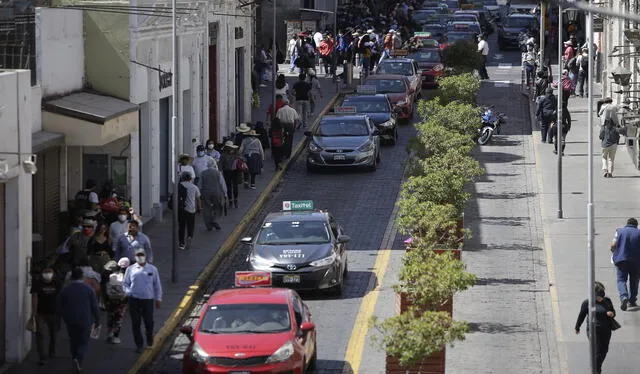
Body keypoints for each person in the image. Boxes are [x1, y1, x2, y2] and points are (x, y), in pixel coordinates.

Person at [58, 267, 100, 373]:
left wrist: (59, 320)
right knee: (84, 341)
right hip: (85, 319)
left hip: (70, 319)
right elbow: (95, 306)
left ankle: (74, 357)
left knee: (73, 340)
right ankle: (78, 358)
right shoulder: (88, 289)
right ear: (82, 276)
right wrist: (98, 320)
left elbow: (60, 306)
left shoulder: (65, 289)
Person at [123, 248, 162, 353]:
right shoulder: (130, 269)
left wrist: (158, 298)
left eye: (142, 254)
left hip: (148, 300)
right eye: (138, 255)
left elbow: (157, 285)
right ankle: (139, 345)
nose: (140, 257)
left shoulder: (152, 269)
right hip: (134, 299)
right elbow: (125, 283)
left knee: (148, 321)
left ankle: (149, 341)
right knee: (136, 323)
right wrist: (128, 292)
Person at [575, 282, 616, 373]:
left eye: (602, 296)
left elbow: (613, 312)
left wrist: (611, 314)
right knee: (597, 350)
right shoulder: (587, 303)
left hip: (606, 330)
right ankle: (596, 370)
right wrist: (577, 327)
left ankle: (598, 366)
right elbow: (581, 315)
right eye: (598, 296)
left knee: (604, 351)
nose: (601, 298)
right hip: (593, 330)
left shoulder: (607, 301)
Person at [31, 267, 61, 365]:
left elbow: (61, 296)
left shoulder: (57, 283)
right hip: (40, 313)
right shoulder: (37, 283)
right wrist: (34, 313)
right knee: (40, 334)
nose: (48, 274)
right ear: (42, 273)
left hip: (54, 312)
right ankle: (42, 356)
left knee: (53, 334)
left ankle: (51, 352)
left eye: (49, 272)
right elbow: (34, 297)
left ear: (53, 273)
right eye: (46, 272)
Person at [610, 218, 640, 310]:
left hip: (621, 260)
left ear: (627, 224)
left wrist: (614, 252)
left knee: (621, 280)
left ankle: (624, 297)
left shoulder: (619, 231)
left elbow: (612, 245)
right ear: (636, 225)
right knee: (634, 280)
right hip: (636, 261)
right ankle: (632, 300)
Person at [104, 257, 129, 344]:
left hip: (110, 301)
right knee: (118, 319)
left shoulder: (111, 275)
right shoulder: (126, 277)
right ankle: (116, 337)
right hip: (121, 302)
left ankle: (109, 334)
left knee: (110, 317)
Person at [199, 158, 227, 231]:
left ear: (207, 165)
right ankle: (215, 220)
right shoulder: (218, 173)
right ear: (214, 165)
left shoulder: (203, 173)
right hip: (216, 192)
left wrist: (200, 193)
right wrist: (225, 193)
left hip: (205, 193)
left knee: (206, 208)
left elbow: (200, 184)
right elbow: (222, 184)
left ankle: (208, 225)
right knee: (218, 207)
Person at [178, 172, 201, 250]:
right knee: (190, 226)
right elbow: (198, 199)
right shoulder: (194, 187)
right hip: (191, 210)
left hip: (181, 209)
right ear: (190, 178)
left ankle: (181, 242)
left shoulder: (179, 186)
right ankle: (189, 236)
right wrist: (199, 208)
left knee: (182, 226)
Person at [599, 98, 621, 178]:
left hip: (605, 144)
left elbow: (600, 136)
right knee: (611, 159)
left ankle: (605, 170)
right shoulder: (615, 128)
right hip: (614, 144)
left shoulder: (603, 127)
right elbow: (618, 135)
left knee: (604, 157)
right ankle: (610, 172)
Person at [219, 141, 241, 208]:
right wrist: (219, 172)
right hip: (227, 172)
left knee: (235, 187)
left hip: (235, 172)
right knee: (228, 187)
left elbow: (243, 160)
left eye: (230, 147)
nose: (229, 149)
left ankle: (236, 200)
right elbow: (220, 164)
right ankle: (230, 201)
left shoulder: (236, 154)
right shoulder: (223, 155)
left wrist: (239, 158)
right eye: (228, 147)